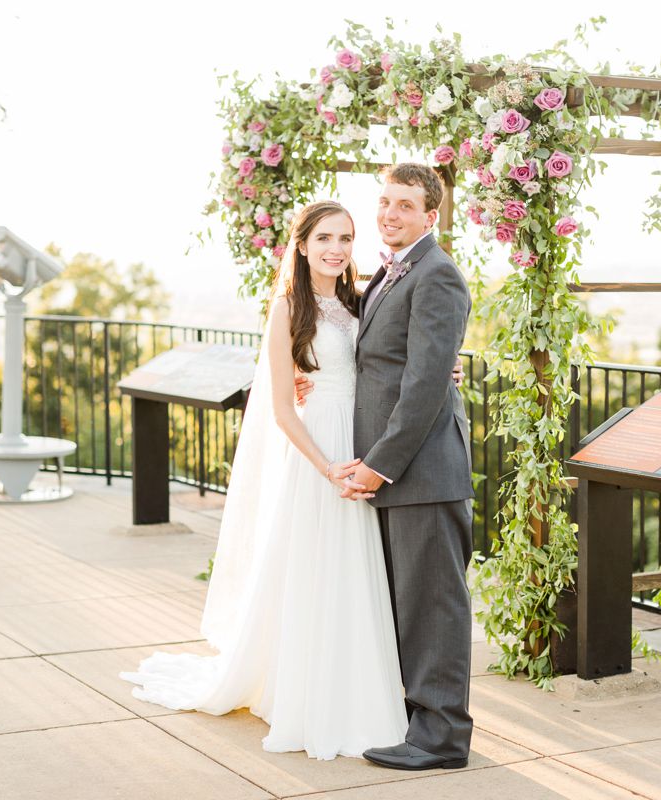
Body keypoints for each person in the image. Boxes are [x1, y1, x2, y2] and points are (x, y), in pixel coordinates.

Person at [120, 200, 408, 760]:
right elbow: (281, 409)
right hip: (319, 451)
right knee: (314, 567)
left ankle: (357, 688)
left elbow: (389, 357)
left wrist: (442, 366)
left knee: (355, 568)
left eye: (346, 238)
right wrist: (326, 467)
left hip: (362, 440)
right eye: (325, 237)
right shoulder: (287, 309)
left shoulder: (360, 298)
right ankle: (303, 692)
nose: (337, 249)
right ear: (301, 246)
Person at [301, 163, 475, 771]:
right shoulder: (390, 272)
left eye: (405, 204)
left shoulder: (438, 274)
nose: (390, 214)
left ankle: (442, 738)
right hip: (398, 475)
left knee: (434, 609)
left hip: (422, 474)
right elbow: (388, 358)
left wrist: (380, 466)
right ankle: (414, 721)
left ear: (432, 214)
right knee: (408, 605)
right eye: (385, 202)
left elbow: (425, 386)